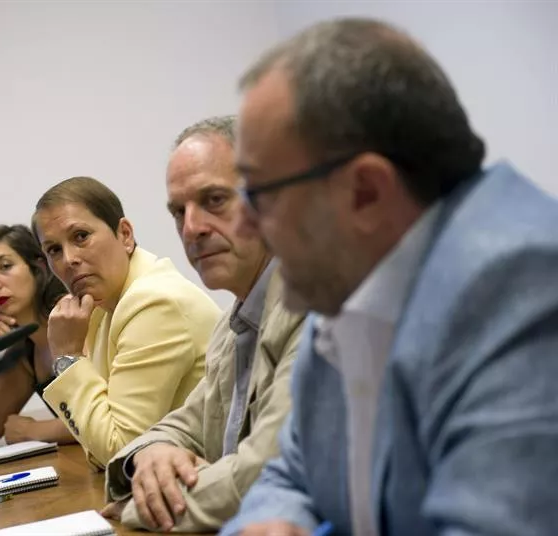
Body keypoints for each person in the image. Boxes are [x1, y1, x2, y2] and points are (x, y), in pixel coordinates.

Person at [224, 17, 558, 536]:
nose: (242, 222)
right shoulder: (347, 284)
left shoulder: (524, 286)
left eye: (259, 194)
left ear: (366, 193)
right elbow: (291, 473)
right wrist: (273, 519)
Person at [99, 116, 305, 532]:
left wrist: (138, 506)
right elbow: (184, 425)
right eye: (179, 211)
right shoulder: (234, 324)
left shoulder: (315, 311)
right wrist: (152, 453)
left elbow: (262, 476)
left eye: (214, 200)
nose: (190, 228)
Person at [31, 176, 221, 468]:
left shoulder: (154, 302)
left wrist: (67, 359)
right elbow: (98, 449)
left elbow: (120, 451)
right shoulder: (99, 305)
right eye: (54, 250)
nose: (69, 259)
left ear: (125, 234)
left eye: (81, 236)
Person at [0, 224, 75, 451]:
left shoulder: (75, 315)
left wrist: (35, 431)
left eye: (4, 266)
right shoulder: (26, 352)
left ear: (39, 266)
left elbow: (120, 417)